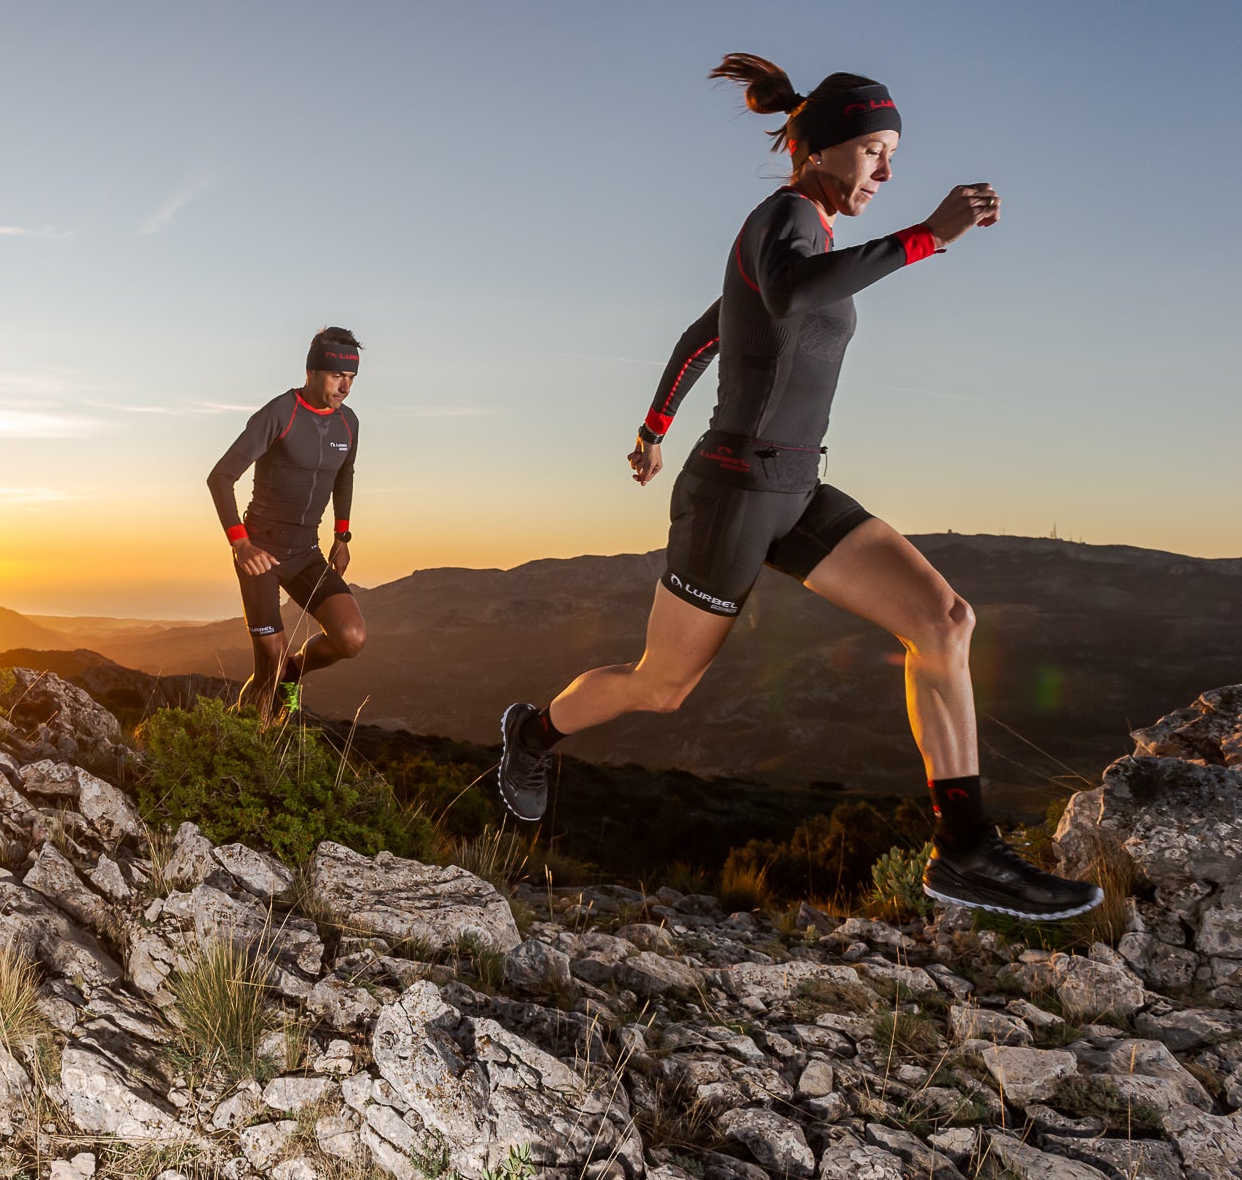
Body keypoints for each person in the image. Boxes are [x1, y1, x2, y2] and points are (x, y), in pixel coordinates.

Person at [495, 54, 1101, 921]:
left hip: (796, 486)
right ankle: (532, 732)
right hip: (733, 495)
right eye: (874, 153)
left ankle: (965, 850)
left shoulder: (804, 231)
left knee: (944, 620)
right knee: (663, 686)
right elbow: (782, 295)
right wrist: (925, 237)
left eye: (892, 155)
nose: (887, 173)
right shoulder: (784, 217)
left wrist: (651, 427)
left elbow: (707, 330)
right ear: (823, 150)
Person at [207, 327, 366, 718]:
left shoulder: (349, 423)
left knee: (351, 638)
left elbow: (345, 476)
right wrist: (241, 544)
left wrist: (341, 536)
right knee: (270, 662)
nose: (344, 387)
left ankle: (295, 672)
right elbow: (221, 477)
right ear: (312, 372)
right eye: (336, 376)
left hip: (306, 551)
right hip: (261, 549)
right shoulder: (280, 413)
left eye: (351, 378)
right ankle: (247, 737)